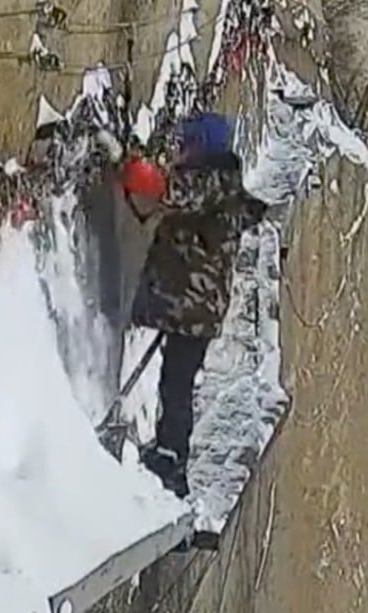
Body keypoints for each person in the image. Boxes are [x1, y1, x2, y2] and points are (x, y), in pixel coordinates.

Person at [127, 112, 267, 499]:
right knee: (176, 379)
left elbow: (167, 191)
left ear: (202, 145)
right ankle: (170, 454)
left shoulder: (209, 181)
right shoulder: (220, 182)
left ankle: (171, 459)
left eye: (187, 143)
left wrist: (129, 164)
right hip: (196, 305)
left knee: (176, 383)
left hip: (192, 305)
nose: (180, 149)